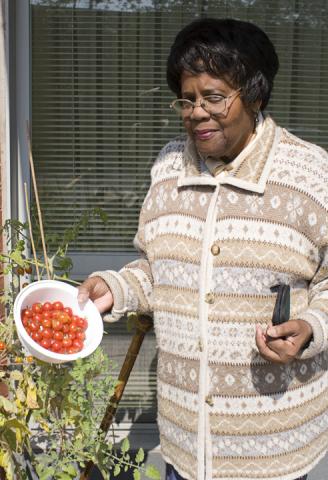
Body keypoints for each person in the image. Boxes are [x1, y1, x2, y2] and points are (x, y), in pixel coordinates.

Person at [78, 18, 328, 480]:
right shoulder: (170, 165)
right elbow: (159, 269)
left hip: (272, 447)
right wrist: (116, 288)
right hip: (185, 444)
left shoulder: (310, 174)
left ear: (254, 95)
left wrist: (312, 327)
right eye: (187, 99)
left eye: (213, 97)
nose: (196, 112)